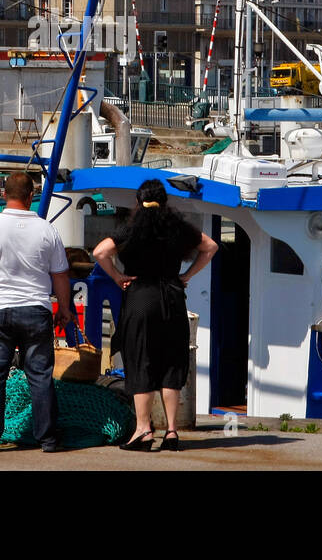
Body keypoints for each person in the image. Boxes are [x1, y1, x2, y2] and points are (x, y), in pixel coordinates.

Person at [0, 172, 73, 453]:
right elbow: (60, 275)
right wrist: (64, 308)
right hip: (35, 309)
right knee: (40, 376)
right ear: (32, 196)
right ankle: (48, 439)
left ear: (3, 194)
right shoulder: (47, 230)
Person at [92, 179, 217, 451]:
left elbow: (100, 252)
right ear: (165, 201)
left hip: (140, 297)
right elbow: (210, 247)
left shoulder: (131, 229)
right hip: (172, 296)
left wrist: (117, 277)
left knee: (141, 360)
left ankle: (143, 430)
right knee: (172, 361)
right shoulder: (178, 228)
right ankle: (172, 432)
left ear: (138, 201)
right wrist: (187, 275)